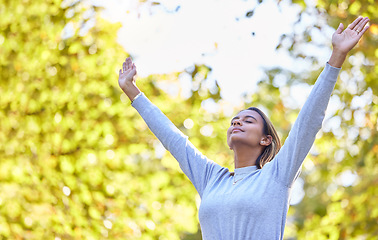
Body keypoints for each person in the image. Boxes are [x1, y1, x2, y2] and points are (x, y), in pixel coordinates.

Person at [117, 17, 370, 240]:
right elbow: (172, 138)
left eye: (248, 121)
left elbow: (308, 122)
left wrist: (337, 57)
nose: (237, 122)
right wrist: (132, 91)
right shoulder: (211, 179)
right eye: (234, 121)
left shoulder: (276, 177)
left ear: (266, 140)